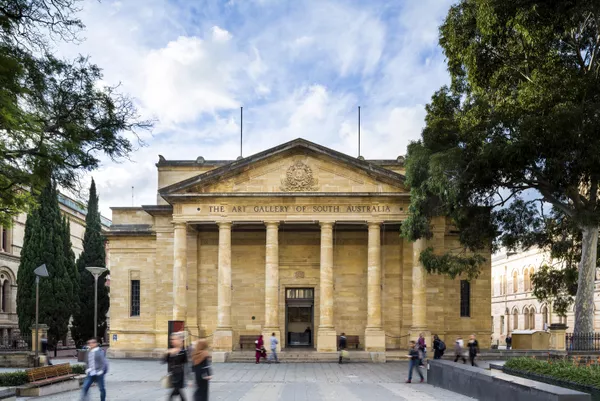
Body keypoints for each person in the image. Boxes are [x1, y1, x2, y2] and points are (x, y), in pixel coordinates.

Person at [164, 332, 188, 400]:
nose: (172, 341)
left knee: (176, 390)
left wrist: (189, 378)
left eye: (174, 339)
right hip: (173, 374)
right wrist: (166, 353)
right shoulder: (170, 350)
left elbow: (186, 364)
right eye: (171, 339)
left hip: (180, 374)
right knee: (178, 390)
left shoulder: (183, 351)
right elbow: (164, 361)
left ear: (179, 340)